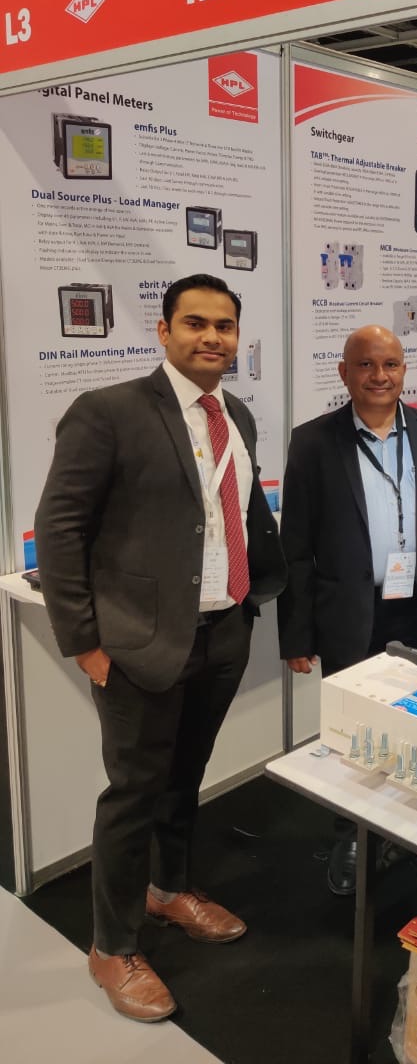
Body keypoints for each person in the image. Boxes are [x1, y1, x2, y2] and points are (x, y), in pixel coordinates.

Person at [34, 274, 286, 1023]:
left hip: (223, 630)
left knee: (185, 778)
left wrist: (253, 600)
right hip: (139, 644)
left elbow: (234, 513)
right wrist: (84, 642)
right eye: (196, 323)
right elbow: (62, 529)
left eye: (224, 326)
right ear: (165, 331)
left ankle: (168, 890)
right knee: (133, 794)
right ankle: (111, 945)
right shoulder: (108, 411)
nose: (212, 337)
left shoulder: (236, 414)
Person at [278, 324, 417, 894]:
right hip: (349, 612)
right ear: (344, 373)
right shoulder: (313, 442)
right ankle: (352, 832)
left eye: (390, 364)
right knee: (353, 730)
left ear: (404, 371)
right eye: (365, 365)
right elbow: (295, 547)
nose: (379, 376)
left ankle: (408, 828)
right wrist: (296, 635)